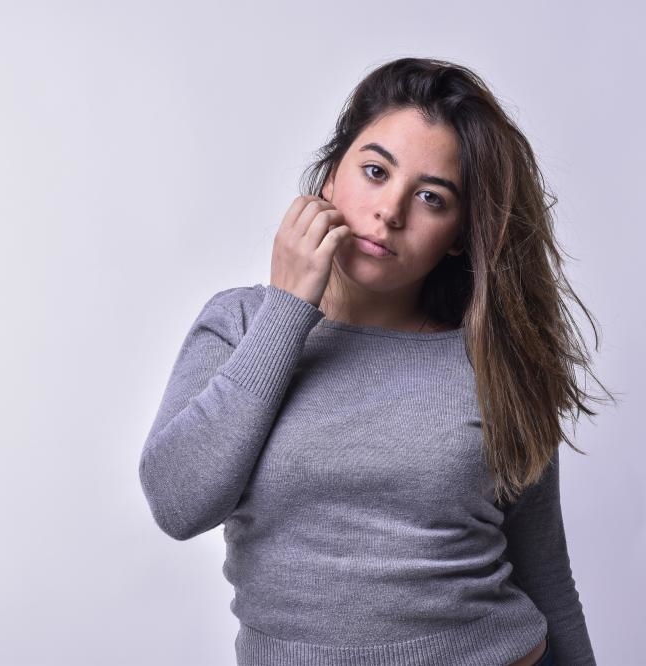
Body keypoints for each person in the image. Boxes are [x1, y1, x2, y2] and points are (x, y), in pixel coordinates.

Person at [139, 56, 615, 666]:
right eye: (374, 171)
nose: (391, 211)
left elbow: (544, 570)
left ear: (458, 236)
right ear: (329, 177)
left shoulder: (494, 361)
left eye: (431, 197)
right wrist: (287, 311)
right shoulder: (241, 325)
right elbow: (177, 504)